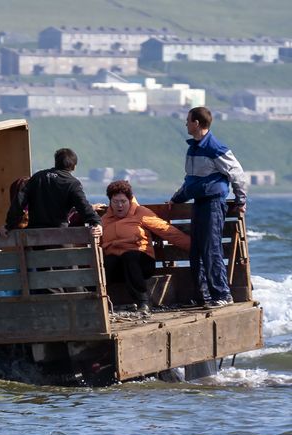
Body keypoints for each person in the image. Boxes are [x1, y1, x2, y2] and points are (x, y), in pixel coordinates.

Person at [169, 106, 248, 308]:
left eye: (188, 120)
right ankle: (204, 296)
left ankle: (222, 295)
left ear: (196, 123)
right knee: (196, 250)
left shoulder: (215, 147)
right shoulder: (193, 148)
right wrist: (176, 198)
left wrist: (240, 200)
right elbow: (191, 181)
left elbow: (237, 174)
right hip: (199, 203)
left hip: (213, 203)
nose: (186, 124)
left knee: (211, 249)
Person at [100, 180, 190, 315]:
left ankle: (143, 302)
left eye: (123, 201)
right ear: (110, 202)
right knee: (108, 261)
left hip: (142, 263)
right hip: (119, 267)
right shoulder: (105, 219)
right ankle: (96, 301)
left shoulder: (141, 213)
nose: (119, 205)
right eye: (115, 201)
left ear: (130, 200)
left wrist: (193, 247)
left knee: (129, 256)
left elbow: (167, 231)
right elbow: (97, 242)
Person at [3, 147, 102, 235]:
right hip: (59, 235)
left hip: (35, 235)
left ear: (56, 162)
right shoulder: (73, 183)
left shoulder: (37, 177)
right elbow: (83, 206)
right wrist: (96, 222)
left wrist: (8, 225)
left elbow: (19, 201)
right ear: (74, 167)